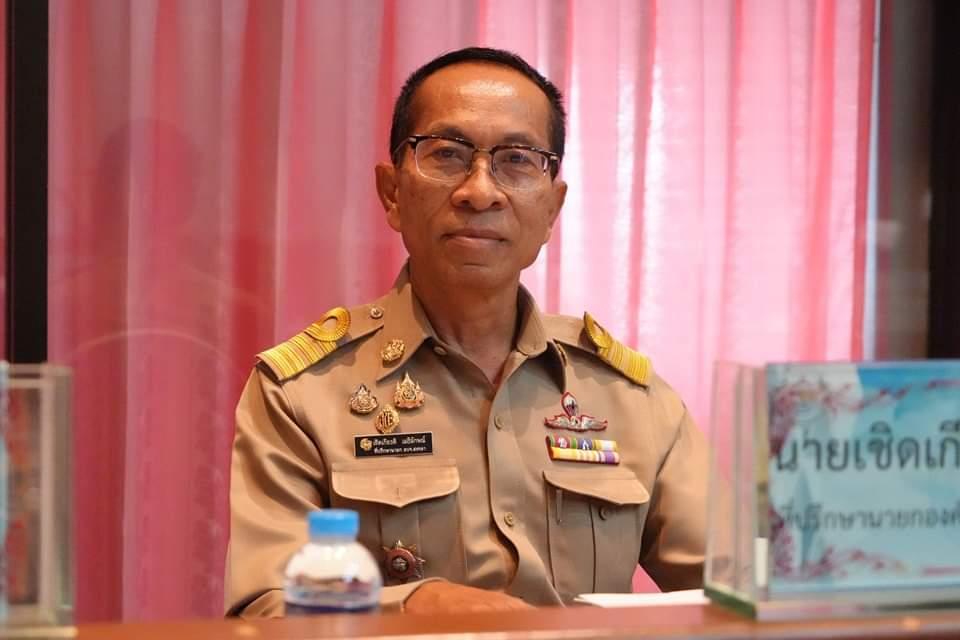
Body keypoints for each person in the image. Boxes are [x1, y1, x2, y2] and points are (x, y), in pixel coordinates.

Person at [226, 47, 709, 617]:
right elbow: (264, 608)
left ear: (552, 210)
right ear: (392, 193)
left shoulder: (630, 400)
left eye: (517, 160)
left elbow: (747, 590)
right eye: (447, 154)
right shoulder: (303, 393)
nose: (480, 191)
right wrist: (416, 605)